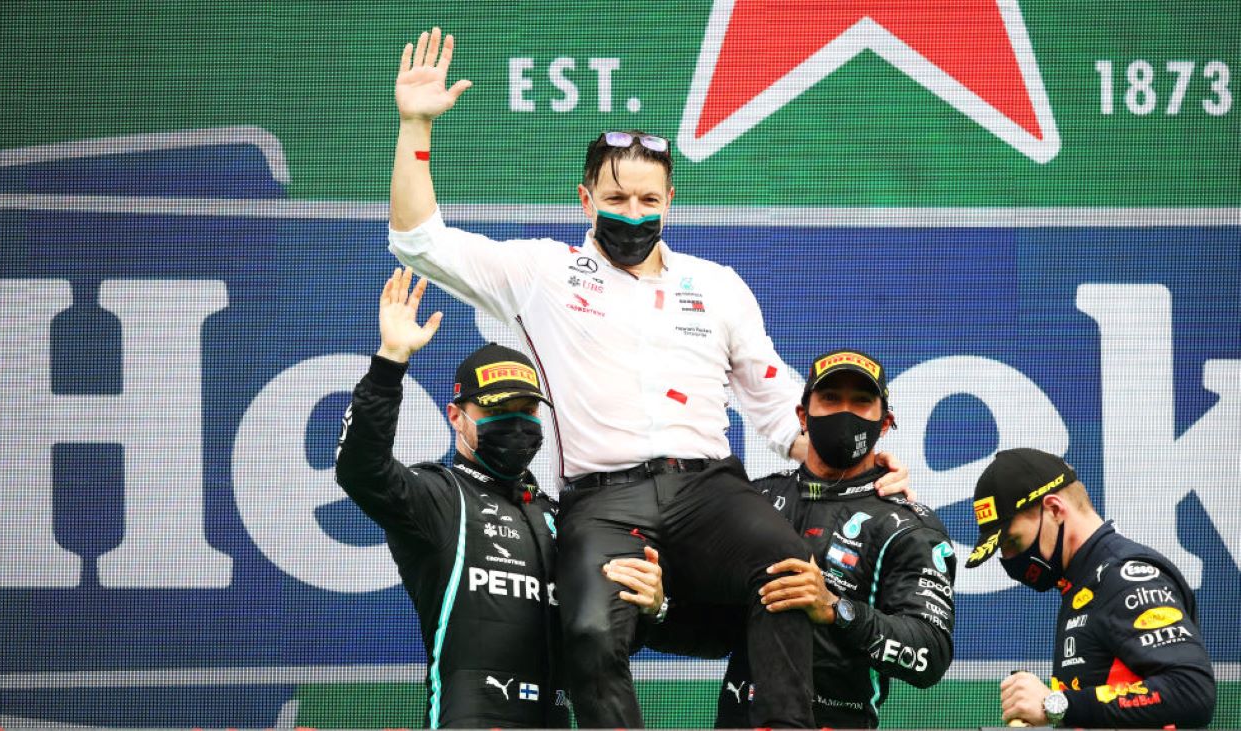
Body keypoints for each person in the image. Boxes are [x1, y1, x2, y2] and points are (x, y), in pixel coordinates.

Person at [385, 27, 909, 728]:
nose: (632, 214)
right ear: (584, 197)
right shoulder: (540, 272)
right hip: (606, 501)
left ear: (670, 201)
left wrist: (866, 468)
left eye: (647, 201)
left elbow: (782, 410)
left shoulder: (717, 285)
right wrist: (416, 126)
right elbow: (418, 239)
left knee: (786, 569)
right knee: (591, 632)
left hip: (709, 488)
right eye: (616, 197)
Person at [334, 268, 666, 729]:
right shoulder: (440, 496)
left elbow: (604, 637)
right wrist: (390, 361)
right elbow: (360, 470)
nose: (516, 424)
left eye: (527, 410)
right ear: (456, 417)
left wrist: (652, 608)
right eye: (496, 411)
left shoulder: (559, 514)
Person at [711, 349, 955, 728]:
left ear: (886, 423)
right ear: (802, 416)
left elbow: (930, 656)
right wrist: (661, 608)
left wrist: (837, 609)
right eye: (830, 399)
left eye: (861, 402)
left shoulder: (907, 527)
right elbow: (712, 629)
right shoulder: (753, 502)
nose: (845, 412)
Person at [965, 448, 1215, 728]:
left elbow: (1191, 690)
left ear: (1055, 510)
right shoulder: (1082, 583)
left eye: (1012, 543)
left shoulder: (1125, 577)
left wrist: (1054, 705)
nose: (1009, 560)